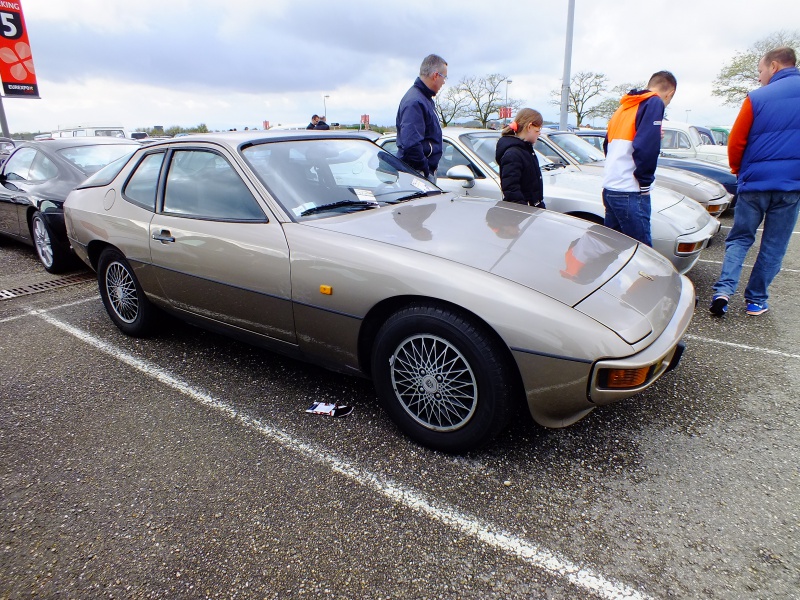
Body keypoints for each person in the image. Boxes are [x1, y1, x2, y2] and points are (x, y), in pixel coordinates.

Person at [710, 47, 800, 317]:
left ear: (774, 66)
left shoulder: (756, 98)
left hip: (754, 185)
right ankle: (756, 300)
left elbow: (736, 141)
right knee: (774, 245)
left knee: (739, 239)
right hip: (790, 188)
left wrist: (740, 172)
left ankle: (723, 291)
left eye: (760, 71)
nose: (760, 77)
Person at [602, 71, 677, 246]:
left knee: (612, 250)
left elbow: (608, 144)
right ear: (670, 93)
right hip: (631, 189)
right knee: (642, 253)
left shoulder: (624, 106)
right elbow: (645, 148)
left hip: (611, 187)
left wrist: (650, 134)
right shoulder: (654, 102)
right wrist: (645, 182)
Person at [396, 54, 447, 182]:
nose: (444, 82)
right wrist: (425, 170)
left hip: (421, 172)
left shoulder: (425, 99)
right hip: (417, 174)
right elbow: (411, 144)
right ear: (436, 76)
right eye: (444, 77)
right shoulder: (415, 102)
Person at [494, 108, 545, 208]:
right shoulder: (513, 154)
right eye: (537, 130)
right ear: (529, 127)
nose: (539, 134)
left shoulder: (526, 150)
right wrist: (525, 209)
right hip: (524, 214)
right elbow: (511, 189)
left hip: (532, 210)